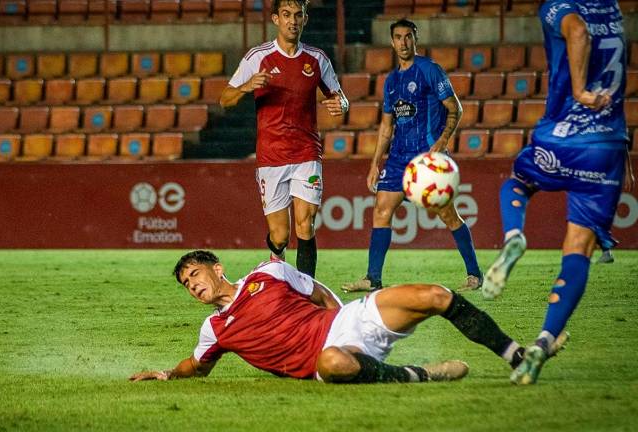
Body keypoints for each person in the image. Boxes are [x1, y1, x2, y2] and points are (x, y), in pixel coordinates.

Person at [130, 250, 567, 384]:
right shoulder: (214, 329)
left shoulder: (268, 272)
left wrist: (350, 318)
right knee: (332, 363)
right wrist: (168, 375)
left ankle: (517, 356)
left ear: (217, 268)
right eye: (186, 284)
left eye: (195, 273)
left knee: (435, 294)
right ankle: (419, 374)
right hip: (330, 356)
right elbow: (198, 367)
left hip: (345, 322)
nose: (193, 284)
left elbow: (318, 292)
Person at [482, 0, 634, 385]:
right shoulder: (614, 9)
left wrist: (580, 91)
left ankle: (515, 236)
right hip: (609, 146)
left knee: (517, 181)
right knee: (578, 249)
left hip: (565, 136)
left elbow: (577, 31)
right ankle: (543, 342)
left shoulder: (559, 6)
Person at [342, 19, 482, 293]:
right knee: (381, 211)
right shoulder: (391, 81)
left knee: (448, 215)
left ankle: (474, 275)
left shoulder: (429, 70)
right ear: (392, 42)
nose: (403, 42)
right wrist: (374, 163)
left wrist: (442, 142)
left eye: (408, 36)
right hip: (397, 159)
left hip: (427, 158)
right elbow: (386, 126)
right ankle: (373, 278)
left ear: (414, 39)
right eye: (398, 37)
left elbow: (455, 109)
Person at [219, 0, 349, 278]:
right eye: (287, 15)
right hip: (271, 156)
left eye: (298, 15)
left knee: (306, 224)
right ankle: (276, 258)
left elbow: (339, 96)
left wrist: (343, 104)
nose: (292, 21)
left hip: (306, 153)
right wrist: (245, 86)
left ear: (305, 19)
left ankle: (305, 292)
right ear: (276, 19)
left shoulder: (317, 59)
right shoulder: (258, 57)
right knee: (280, 235)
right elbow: (224, 99)